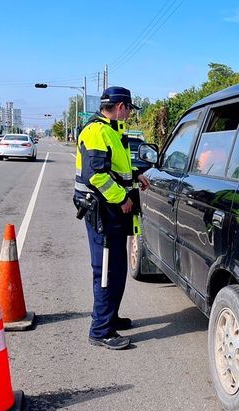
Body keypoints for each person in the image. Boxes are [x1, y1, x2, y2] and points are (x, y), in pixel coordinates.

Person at [74, 86, 150, 350]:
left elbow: (115, 167)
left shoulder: (112, 131)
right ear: (120, 107)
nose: (129, 113)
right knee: (106, 269)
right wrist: (123, 198)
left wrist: (136, 173)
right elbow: (97, 176)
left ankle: (110, 318)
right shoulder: (97, 131)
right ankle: (100, 330)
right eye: (129, 109)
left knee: (117, 268)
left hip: (112, 214)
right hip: (103, 212)